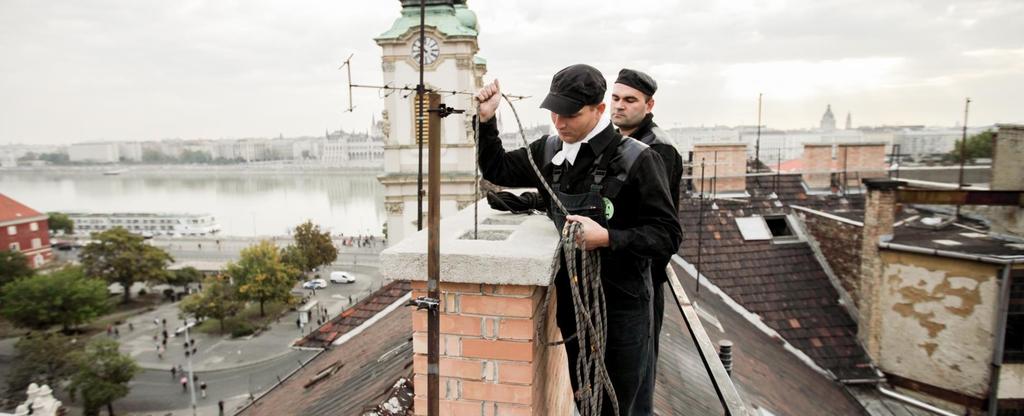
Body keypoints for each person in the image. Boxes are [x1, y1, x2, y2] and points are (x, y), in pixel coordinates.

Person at [475, 64, 681, 415]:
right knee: (586, 399)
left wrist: (608, 238)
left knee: (614, 406)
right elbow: (498, 170)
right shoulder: (549, 151)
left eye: (571, 114)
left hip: (622, 307)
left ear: (599, 110)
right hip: (573, 304)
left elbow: (667, 235)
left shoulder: (638, 159)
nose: (560, 122)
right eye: (555, 112)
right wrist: (486, 120)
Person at [610, 68, 684, 414]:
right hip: (624, 266)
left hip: (644, 274)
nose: (619, 106)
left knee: (638, 372)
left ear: (648, 104)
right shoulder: (620, 141)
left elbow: (660, 226)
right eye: (615, 98)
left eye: (629, 100)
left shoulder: (658, 149)